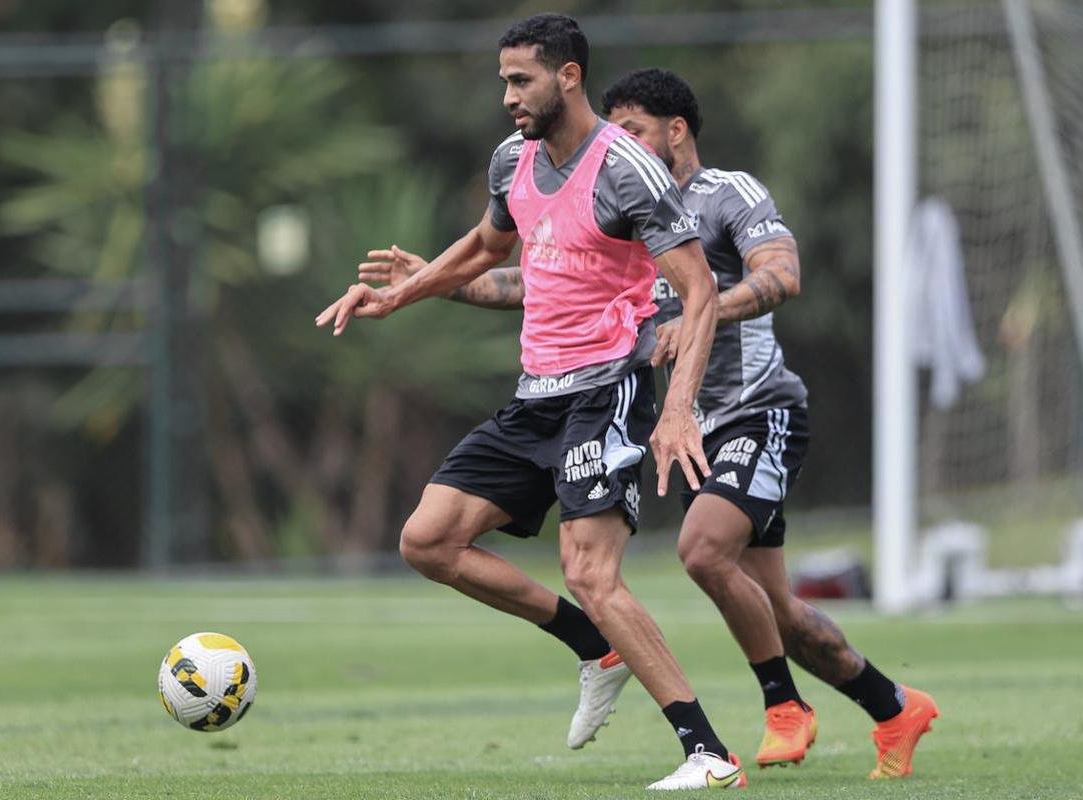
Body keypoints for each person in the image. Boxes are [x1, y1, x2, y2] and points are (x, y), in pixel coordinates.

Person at [358, 67, 940, 781]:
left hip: (757, 410)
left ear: (676, 131)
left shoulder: (728, 194)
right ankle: (893, 706)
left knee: (700, 550)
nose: (617, 142)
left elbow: (782, 275)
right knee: (779, 611)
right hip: (685, 416)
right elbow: (536, 282)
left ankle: (780, 706)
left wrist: (704, 311)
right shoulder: (622, 198)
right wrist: (435, 281)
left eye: (631, 130)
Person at [319, 14, 748, 793]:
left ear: (569, 76)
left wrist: (678, 407)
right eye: (504, 81)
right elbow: (489, 247)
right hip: (536, 397)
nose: (509, 96)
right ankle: (595, 647)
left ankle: (709, 754)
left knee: (589, 568)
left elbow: (699, 288)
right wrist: (402, 295)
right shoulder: (511, 160)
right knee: (428, 540)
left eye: (522, 80)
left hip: (608, 390)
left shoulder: (626, 169)